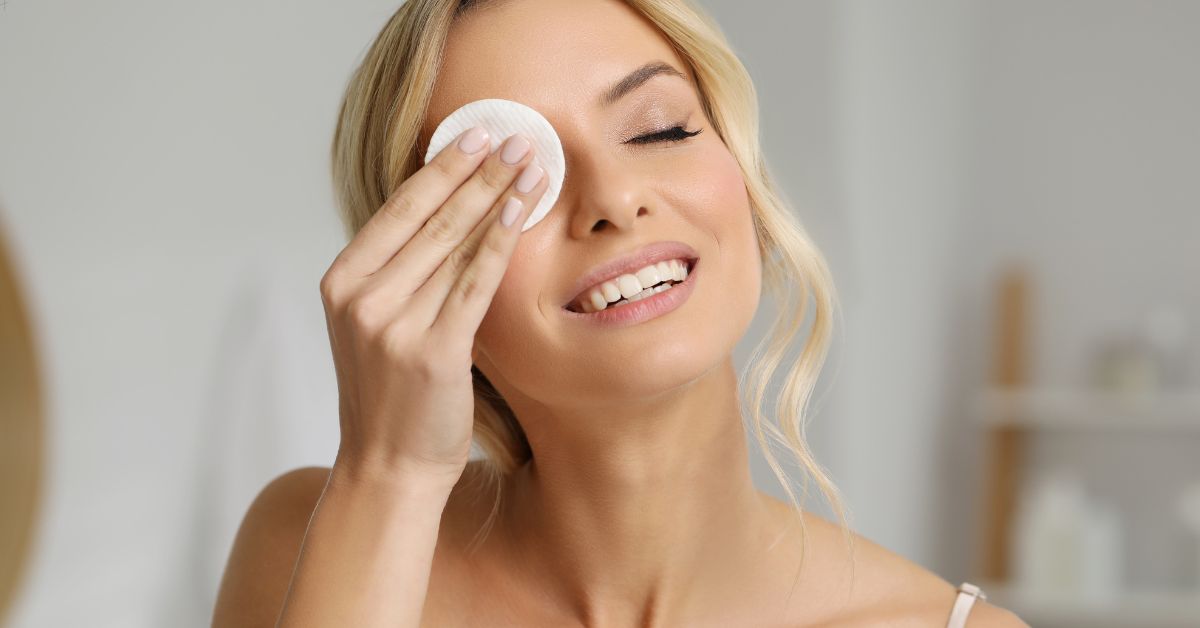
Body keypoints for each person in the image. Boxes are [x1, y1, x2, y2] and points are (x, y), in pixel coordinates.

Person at [212, 0, 1029, 626]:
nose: (613, 198)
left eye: (659, 129)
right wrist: (389, 477)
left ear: (747, 187)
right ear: (423, 276)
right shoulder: (309, 546)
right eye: (516, 181)